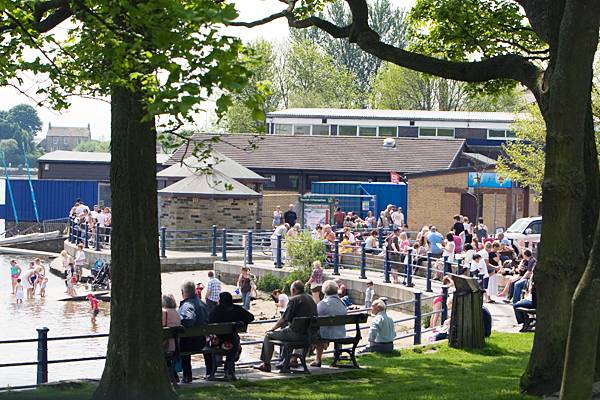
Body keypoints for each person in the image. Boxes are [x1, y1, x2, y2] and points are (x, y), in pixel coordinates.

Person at [253, 281, 317, 372]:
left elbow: (283, 319)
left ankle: (266, 364)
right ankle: (285, 361)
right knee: (286, 332)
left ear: (294, 290)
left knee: (268, 336)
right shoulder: (311, 299)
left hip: (297, 333)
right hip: (309, 334)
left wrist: (272, 329)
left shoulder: (294, 300)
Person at [206, 292, 255, 380]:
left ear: (220, 300)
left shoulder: (216, 310)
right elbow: (251, 317)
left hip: (218, 342)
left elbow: (208, 322)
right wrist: (241, 322)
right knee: (235, 341)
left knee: (208, 344)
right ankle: (229, 370)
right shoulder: (237, 309)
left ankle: (210, 371)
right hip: (233, 342)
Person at [312, 280, 348, 367]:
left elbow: (316, 317)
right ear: (336, 289)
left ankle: (318, 359)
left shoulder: (322, 304)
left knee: (316, 332)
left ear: (324, 291)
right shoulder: (342, 303)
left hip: (325, 334)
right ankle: (337, 355)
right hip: (340, 333)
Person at [178, 280, 209, 383]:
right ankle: (210, 372)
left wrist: (180, 324)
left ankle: (187, 375)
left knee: (180, 345)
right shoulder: (202, 304)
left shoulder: (187, 305)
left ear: (184, 292)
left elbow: (189, 320)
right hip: (202, 341)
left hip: (190, 343)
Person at [161, 294, 181, 384]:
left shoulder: (164, 312)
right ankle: (173, 375)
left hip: (166, 347)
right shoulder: (176, 313)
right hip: (176, 345)